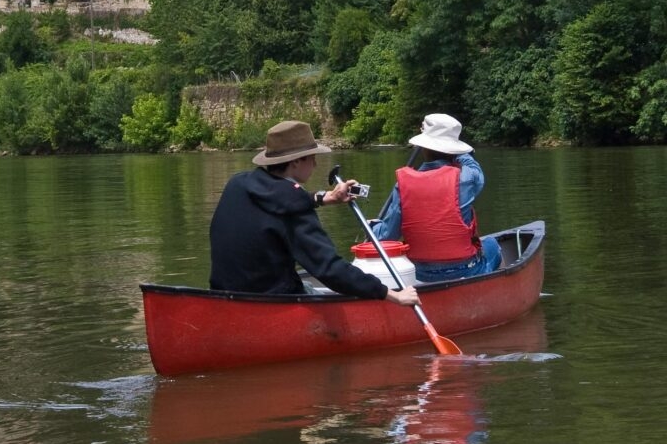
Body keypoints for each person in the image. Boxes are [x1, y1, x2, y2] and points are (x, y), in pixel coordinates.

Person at [209, 119, 419, 307]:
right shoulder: (294, 211)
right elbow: (330, 269)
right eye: (311, 158)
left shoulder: (237, 184)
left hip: (224, 295)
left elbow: (281, 198)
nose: (316, 164)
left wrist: (323, 198)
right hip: (271, 300)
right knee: (328, 290)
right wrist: (393, 295)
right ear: (295, 162)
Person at [371, 113, 502, 282]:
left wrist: (373, 226)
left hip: (419, 273)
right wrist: (459, 152)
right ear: (454, 149)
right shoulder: (468, 178)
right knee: (492, 245)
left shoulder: (402, 186)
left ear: (424, 148)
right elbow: (473, 166)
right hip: (465, 270)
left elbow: (388, 236)